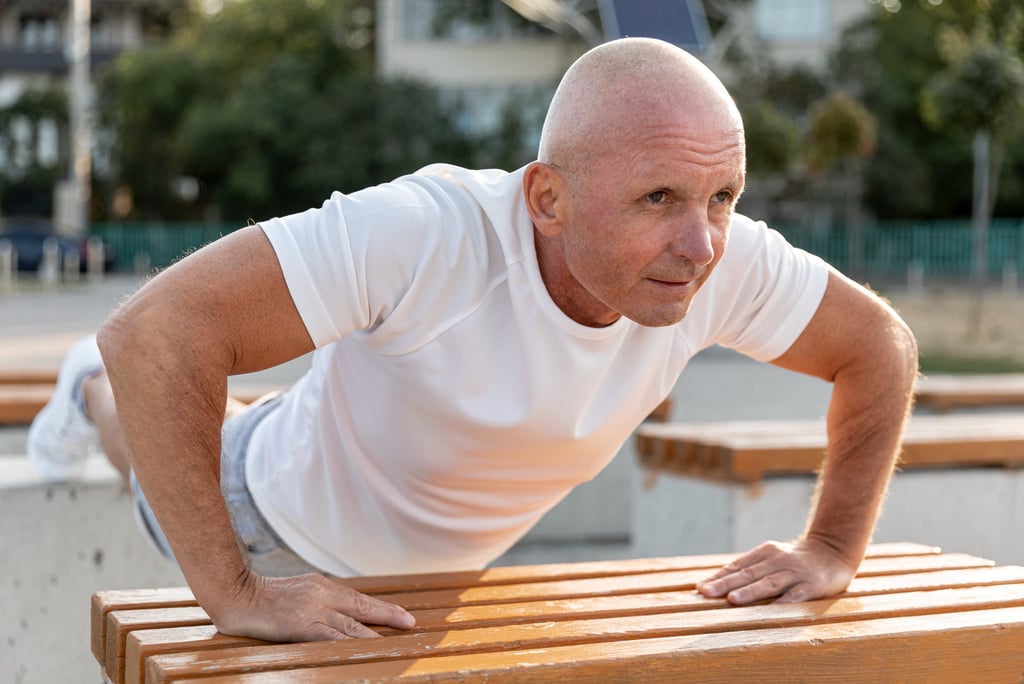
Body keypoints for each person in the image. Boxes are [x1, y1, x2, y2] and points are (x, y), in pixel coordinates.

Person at [28, 37, 917, 643]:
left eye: (724, 196)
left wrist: (832, 549)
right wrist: (233, 593)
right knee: (133, 416)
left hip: (432, 571)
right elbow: (152, 334)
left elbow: (880, 346)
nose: (701, 244)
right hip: (269, 523)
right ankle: (82, 395)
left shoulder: (720, 261)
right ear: (547, 201)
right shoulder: (426, 233)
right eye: (659, 200)